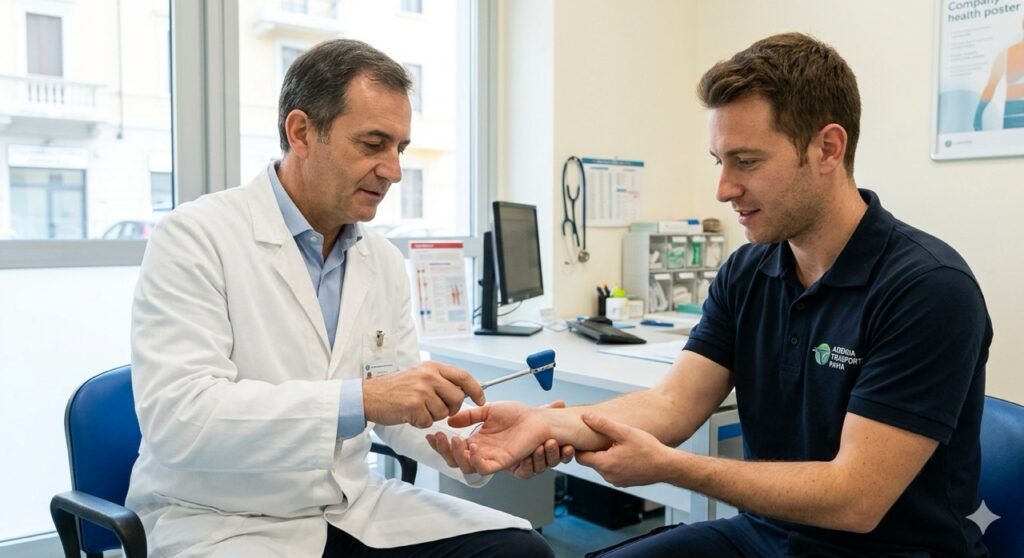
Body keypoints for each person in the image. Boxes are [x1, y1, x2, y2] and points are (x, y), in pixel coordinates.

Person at [439, 33, 993, 557]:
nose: (724, 189)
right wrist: (544, 423)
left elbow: (855, 499)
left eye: (746, 162)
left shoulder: (928, 289)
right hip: (765, 535)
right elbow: (671, 405)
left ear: (828, 148)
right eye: (719, 161)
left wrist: (670, 466)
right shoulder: (748, 271)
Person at [125, 38, 554, 558]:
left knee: (522, 552)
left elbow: (400, 409)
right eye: (373, 144)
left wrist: (474, 441)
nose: (393, 170)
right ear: (301, 133)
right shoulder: (196, 237)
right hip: (221, 520)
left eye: (400, 149)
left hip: (350, 506)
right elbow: (180, 419)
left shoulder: (382, 261)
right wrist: (364, 399)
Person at [974, 17, 1024, 130]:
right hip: (1013, 118)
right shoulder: (1005, 55)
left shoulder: (1005, 55)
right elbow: (991, 86)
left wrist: (978, 116)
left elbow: (991, 86)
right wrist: (978, 115)